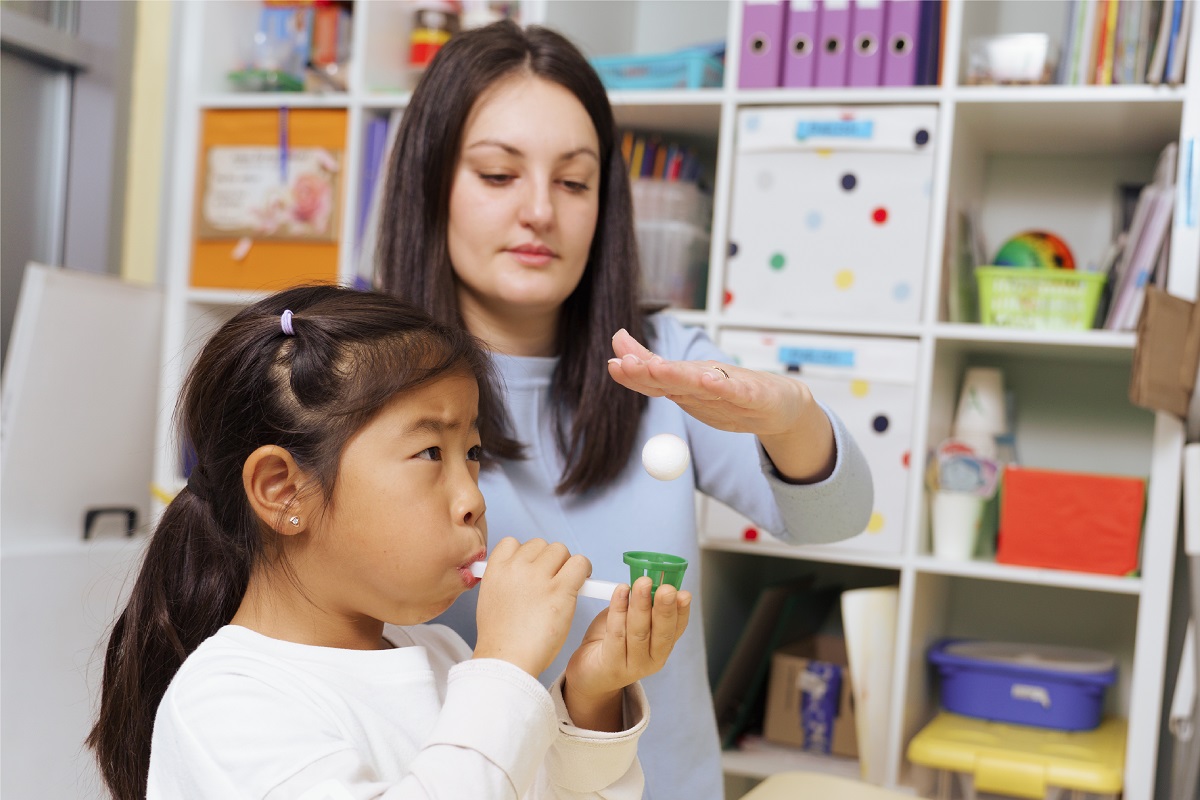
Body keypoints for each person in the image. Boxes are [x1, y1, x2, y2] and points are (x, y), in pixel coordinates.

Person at [376, 20, 875, 800]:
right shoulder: (363, 375)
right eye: (499, 175)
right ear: (430, 182)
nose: (541, 211)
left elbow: (834, 519)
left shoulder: (662, 356)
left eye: (574, 183)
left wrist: (790, 414)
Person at [86, 285, 691, 800]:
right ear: (282, 491)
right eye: (430, 452)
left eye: (473, 454)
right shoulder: (226, 704)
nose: (473, 500)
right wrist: (505, 666)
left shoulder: (445, 656)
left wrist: (590, 694)